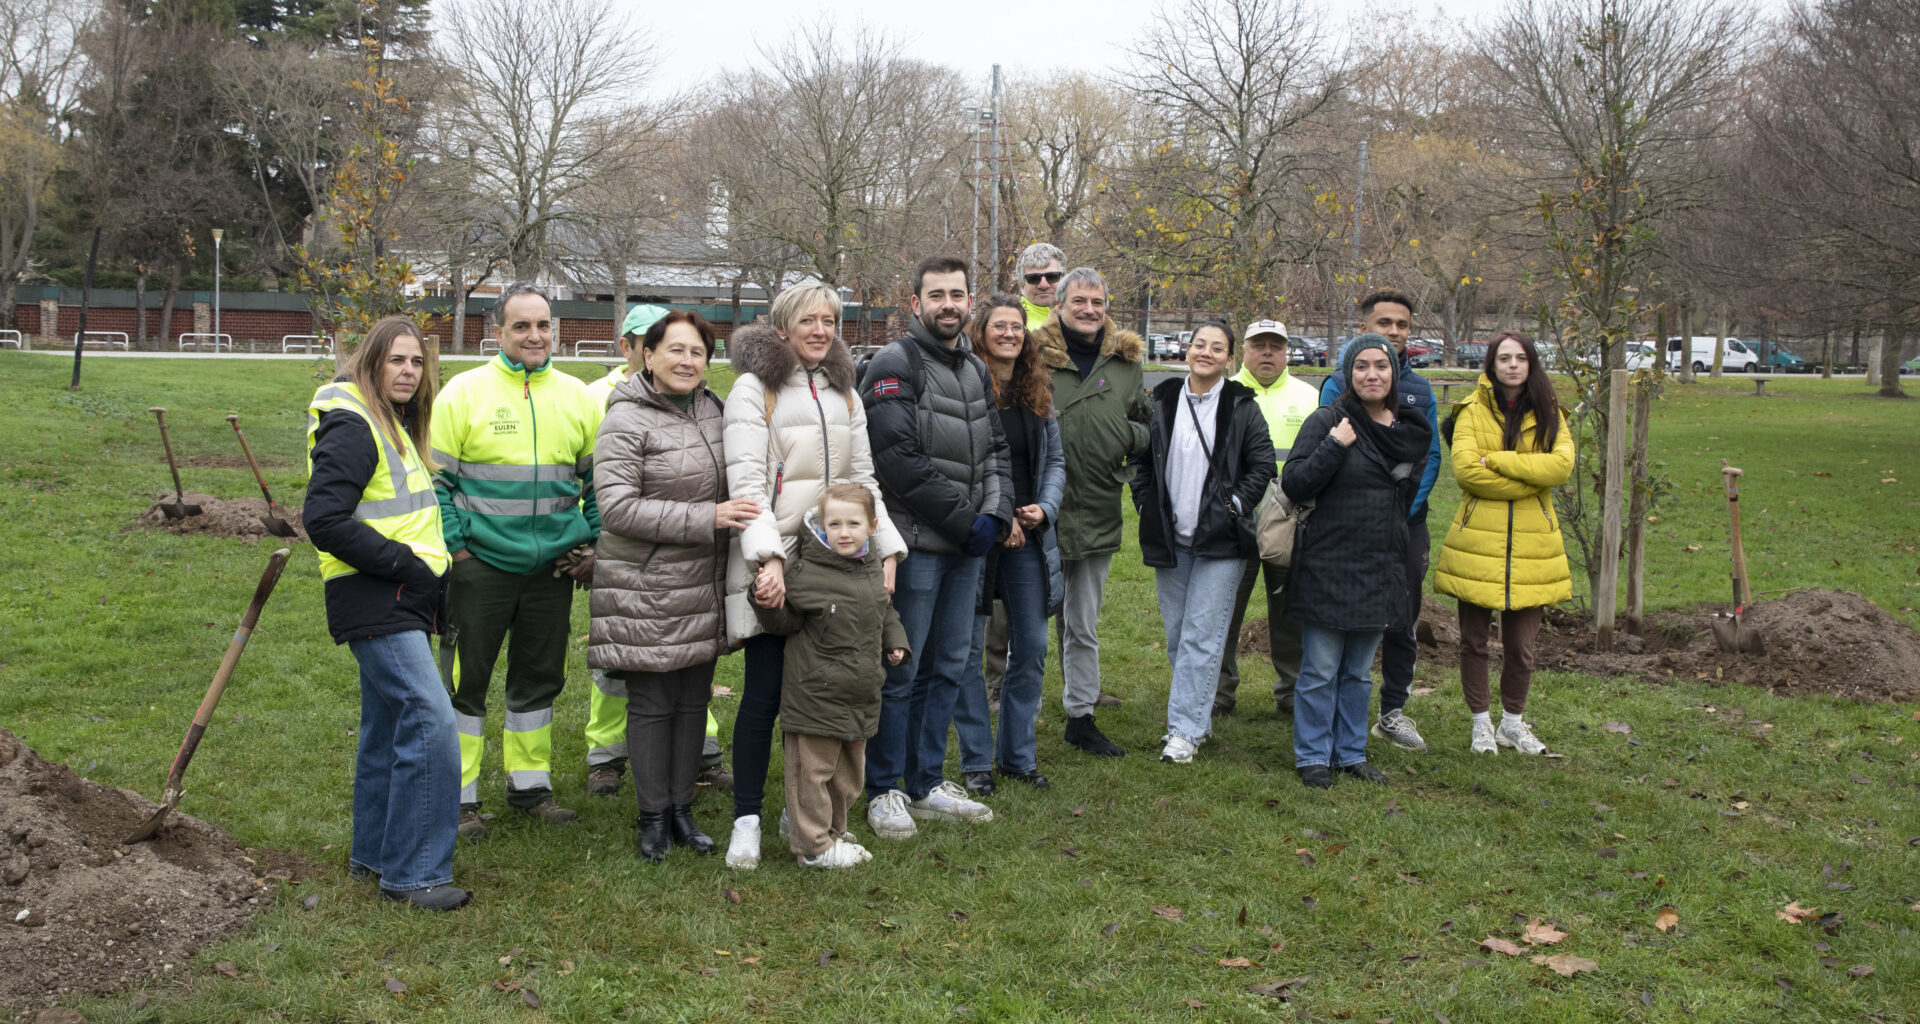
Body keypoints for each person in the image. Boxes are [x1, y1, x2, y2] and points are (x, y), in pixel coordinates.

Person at [720, 282, 907, 869]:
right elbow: (747, 482)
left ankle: (805, 814)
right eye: (808, 320)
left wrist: (885, 552)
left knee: (821, 700)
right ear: (782, 327)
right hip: (781, 561)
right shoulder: (755, 390)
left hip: (842, 566)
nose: (821, 330)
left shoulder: (844, 392)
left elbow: (865, 481)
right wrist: (767, 559)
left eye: (829, 320)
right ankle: (746, 818)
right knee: (766, 694)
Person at [305, 316, 468, 910]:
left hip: (399, 595)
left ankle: (373, 856)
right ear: (371, 362)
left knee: (387, 727)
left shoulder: (387, 423)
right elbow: (323, 520)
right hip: (378, 595)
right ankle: (416, 873)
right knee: (430, 722)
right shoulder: (353, 425)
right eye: (396, 360)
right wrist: (407, 567)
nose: (407, 371)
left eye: (417, 362)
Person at [432, 284, 598, 835]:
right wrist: (458, 549)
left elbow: (596, 483)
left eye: (544, 325)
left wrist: (592, 543)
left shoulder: (576, 396)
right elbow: (436, 483)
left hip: (552, 569)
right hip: (481, 566)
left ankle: (530, 787)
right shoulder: (463, 393)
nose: (535, 336)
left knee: (539, 679)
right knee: (465, 681)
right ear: (498, 331)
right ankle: (458, 797)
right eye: (522, 326)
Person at [590, 311, 750, 862]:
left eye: (698, 352)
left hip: (702, 585)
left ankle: (683, 812)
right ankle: (652, 816)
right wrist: (707, 518)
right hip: (647, 585)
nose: (687, 361)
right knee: (654, 702)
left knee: (691, 700)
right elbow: (616, 508)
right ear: (648, 356)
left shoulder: (715, 409)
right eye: (675, 350)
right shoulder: (626, 419)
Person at [860, 255, 1011, 838]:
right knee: (902, 668)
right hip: (919, 546)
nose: (948, 304)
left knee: (949, 667)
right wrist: (963, 520)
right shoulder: (895, 364)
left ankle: (924, 782)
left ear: (969, 301)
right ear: (916, 302)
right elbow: (896, 461)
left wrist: (994, 515)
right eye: (937, 294)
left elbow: (995, 451)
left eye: (958, 294)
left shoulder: (974, 368)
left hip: (967, 549)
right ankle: (885, 789)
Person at [1282, 335, 1433, 788]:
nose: (1372, 375)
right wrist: (1333, 446)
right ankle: (1312, 755)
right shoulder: (1329, 419)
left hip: (1380, 565)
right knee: (1319, 671)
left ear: (1393, 373)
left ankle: (1349, 753)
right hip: (1329, 563)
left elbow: (1407, 492)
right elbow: (1294, 484)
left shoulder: (1410, 429)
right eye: (1362, 366)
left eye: (1381, 367)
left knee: (1357, 673)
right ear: (1348, 374)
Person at [1134, 320, 1275, 763]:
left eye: (1217, 347)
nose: (1207, 353)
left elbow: (1263, 463)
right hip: (1170, 538)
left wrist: (1235, 504)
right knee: (1179, 636)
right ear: (1187, 350)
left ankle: (1184, 732)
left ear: (1229, 358)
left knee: (1202, 636)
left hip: (1221, 541)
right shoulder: (1160, 400)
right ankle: (1198, 717)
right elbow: (1140, 459)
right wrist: (1144, 503)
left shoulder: (1242, 406)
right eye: (1200, 344)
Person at [753, 484, 910, 868]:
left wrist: (896, 640)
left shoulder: (872, 565)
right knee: (813, 772)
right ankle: (812, 847)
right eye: (834, 523)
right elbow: (785, 621)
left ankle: (832, 832)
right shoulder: (807, 572)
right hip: (816, 694)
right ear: (821, 525)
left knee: (847, 776)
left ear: (872, 527)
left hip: (860, 692)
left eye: (853, 523)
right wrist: (766, 603)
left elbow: (883, 609)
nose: (843, 532)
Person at [1432, 330, 1573, 755]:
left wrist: (1497, 460)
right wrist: (1530, 478)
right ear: (1491, 365)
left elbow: (1561, 466)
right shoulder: (1470, 410)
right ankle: (1480, 724)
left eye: (1520, 358)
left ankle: (1512, 723)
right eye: (1503, 358)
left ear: (1531, 363)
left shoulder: (1550, 412)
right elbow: (1465, 473)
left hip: (1534, 546)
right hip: (1476, 543)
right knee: (1473, 642)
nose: (1512, 365)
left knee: (1521, 646)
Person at [1031, 267, 1149, 758]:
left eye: (1097, 302)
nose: (1089, 310)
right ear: (1059, 305)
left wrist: (1124, 437)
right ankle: (1023, 714)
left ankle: (1081, 715)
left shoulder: (1124, 362)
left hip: (1098, 505)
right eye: (1079, 301)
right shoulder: (1031, 353)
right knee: (1032, 622)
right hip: (1042, 508)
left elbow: (1144, 426)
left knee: (1083, 623)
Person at [1319, 289, 1442, 753]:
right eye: (1384, 323)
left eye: (1402, 325)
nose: (1393, 332)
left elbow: (1429, 457)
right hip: (1351, 526)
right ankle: (1333, 706)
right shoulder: (1337, 382)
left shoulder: (1420, 388)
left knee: (1401, 616)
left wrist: (1401, 510)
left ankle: (1392, 712)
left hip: (1406, 525)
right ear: (1365, 326)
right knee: (1342, 614)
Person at [952, 296, 1065, 792]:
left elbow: (1056, 462)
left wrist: (1046, 507)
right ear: (981, 332)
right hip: (977, 532)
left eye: (1017, 327)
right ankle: (976, 761)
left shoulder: (1036, 392)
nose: (1009, 334)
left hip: (1028, 534)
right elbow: (959, 464)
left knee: (1033, 645)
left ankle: (1017, 756)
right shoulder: (964, 387)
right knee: (967, 649)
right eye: (999, 326)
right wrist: (997, 517)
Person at [1214, 319, 1318, 719]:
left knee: (1290, 614)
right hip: (1234, 521)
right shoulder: (1226, 395)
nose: (1268, 353)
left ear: (1287, 351)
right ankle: (1220, 691)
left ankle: (1291, 692)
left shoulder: (1309, 398)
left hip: (1290, 523)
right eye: (1260, 345)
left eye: (1277, 346)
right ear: (1244, 350)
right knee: (1225, 610)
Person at [1015, 242, 1065, 331]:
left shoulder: (1078, 318)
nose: (1043, 285)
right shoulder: (1013, 323)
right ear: (1021, 285)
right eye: (1033, 278)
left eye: (1052, 276)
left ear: (1063, 280)